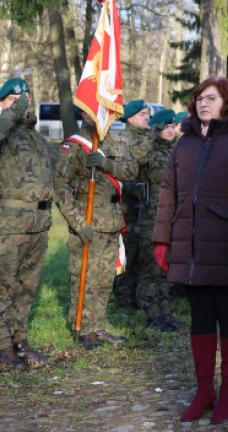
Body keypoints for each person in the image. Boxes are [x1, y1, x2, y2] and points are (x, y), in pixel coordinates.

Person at [153, 77, 228, 424]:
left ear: (227, 102)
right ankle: (204, 391)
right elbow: (168, 190)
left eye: (210, 98)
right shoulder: (186, 142)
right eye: (198, 99)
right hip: (190, 246)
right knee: (200, 318)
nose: (202, 104)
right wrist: (163, 239)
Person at [56, 102, 139, 349]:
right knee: (85, 278)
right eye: (97, 110)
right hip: (88, 220)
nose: (104, 115)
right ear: (84, 112)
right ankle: (84, 329)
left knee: (104, 279)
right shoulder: (73, 145)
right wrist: (77, 223)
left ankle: (97, 326)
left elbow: (132, 171)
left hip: (113, 220)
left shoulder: (116, 141)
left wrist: (106, 163)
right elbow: (60, 187)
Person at [0, 79, 54, 367]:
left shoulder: (37, 139)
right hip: (9, 226)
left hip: (39, 224)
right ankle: (2, 345)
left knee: (27, 288)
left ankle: (19, 340)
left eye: (24, 99)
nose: (21, 104)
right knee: (4, 287)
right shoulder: (4, 133)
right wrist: (9, 113)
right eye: (13, 99)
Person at [134, 110, 184, 333]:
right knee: (151, 270)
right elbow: (135, 160)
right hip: (151, 220)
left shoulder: (175, 151)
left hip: (171, 218)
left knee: (165, 269)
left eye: (173, 127)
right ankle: (151, 315)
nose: (171, 130)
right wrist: (151, 135)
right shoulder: (149, 151)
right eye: (165, 127)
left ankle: (164, 312)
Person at [112, 99, 152, 314]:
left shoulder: (150, 138)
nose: (147, 117)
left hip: (149, 208)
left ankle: (141, 294)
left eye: (147, 113)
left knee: (144, 254)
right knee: (128, 252)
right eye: (142, 114)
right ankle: (124, 297)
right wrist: (135, 189)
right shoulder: (123, 141)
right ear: (130, 118)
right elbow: (119, 175)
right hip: (129, 207)